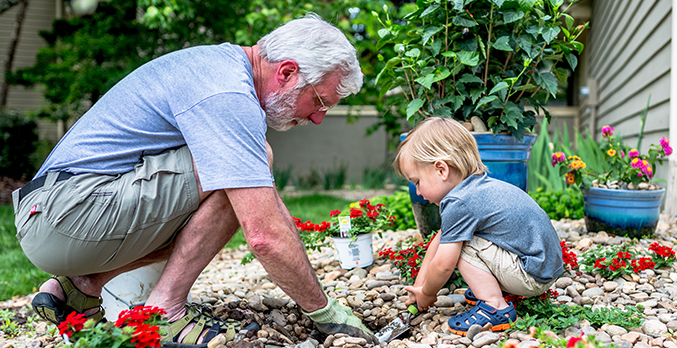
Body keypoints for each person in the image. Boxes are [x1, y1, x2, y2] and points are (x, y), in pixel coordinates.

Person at [12, 13, 377, 346]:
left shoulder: (219, 67)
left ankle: (83, 286)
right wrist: (325, 312)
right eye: (320, 100)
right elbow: (265, 237)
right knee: (244, 169)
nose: (317, 118)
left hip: (55, 215)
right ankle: (165, 313)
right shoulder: (228, 95)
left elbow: (268, 207)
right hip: (67, 215)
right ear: (286, 72)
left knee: (242, 177)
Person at [392, 117, 563, 336]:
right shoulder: (474, 188)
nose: (417, 191)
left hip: (531, 275)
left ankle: (495, 306)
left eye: (417, 181)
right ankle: (495, 290)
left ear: (441, 170)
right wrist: (419, 285)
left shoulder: (458, 202)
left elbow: (444, 265)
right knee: (451, 239)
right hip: (542, 267)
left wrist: (428, 293)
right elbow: (439, 239)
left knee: (461, 246)